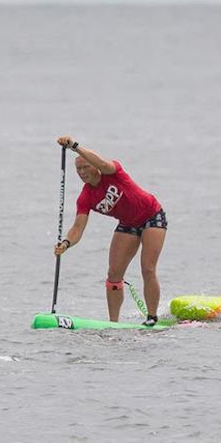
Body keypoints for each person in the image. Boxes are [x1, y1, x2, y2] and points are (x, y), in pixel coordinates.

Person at [53, 136, 168, 325]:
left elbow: (101, 162)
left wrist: (74, 147)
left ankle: (152, 317)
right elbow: (77, 228)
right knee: (114, 274)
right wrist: (65, 243)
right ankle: (113, 323)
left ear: (95, 166)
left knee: (147, 268)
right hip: (128, 223)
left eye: (86, 167)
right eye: (78, 170)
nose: (82, 172)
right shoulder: (85, 197)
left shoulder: (112, 171)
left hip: (151, 216)